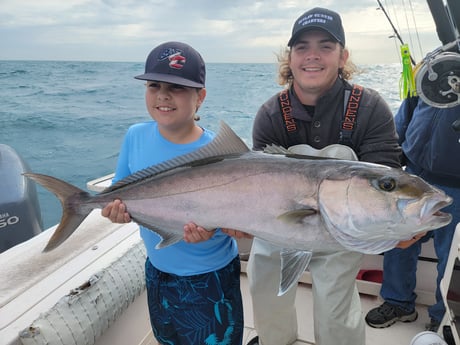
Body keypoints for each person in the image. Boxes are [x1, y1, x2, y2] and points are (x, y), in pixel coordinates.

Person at [246, 7, 403, 345]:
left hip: (342, 231)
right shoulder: (271, 114)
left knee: (336, 307)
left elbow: (386, 180)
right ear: (290, 57)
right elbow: (257, 187)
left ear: (342, 56)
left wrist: (397, 227)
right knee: (264, 286)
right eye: (301, 47)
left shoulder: (370, 108)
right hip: (281, 223)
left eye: (325, 46)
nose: (312, 56)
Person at [100, 41, 244, 345]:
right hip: (157, 271)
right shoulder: (135, 135)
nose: (163, 95)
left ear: (200, 97)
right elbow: (121, 194)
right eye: (154, 85)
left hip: (211, 278)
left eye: (177, 87)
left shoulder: (224, 154)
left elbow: (242, 217)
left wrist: (214, 228)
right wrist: (116, 212)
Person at [365, 97, 460, 332]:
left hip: (456, 184)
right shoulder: (432, 67)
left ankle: (444, 317)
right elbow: (408, 110)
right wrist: (393, 157)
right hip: (413, 174)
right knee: (399, 242)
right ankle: (398, 302)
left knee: (450, 257)